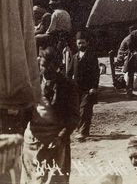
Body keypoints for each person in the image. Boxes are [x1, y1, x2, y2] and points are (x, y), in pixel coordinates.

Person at [22, 47, 80, 184]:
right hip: (32, 141)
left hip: (54, 141)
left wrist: (60, 137)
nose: (45, 70)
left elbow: (74, 117)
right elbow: (25, 109)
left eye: (49, 66)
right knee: (31, 179)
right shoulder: (33, 83)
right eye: (42, 66)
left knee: (53, 179)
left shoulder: (67, 86)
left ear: (57, 66)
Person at [66, 30, 100, 141]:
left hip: (88, 89)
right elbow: (69, 73)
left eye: (83, 43)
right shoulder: (75, 57)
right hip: (76, 89)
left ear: (87, 43)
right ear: (76, 43)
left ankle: (83, 132)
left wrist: (94, 87)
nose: (81, 45)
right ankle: (80, 128)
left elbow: (96, 72)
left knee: (85, 109)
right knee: (77, 110)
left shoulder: (92, 56)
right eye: (79, 43)